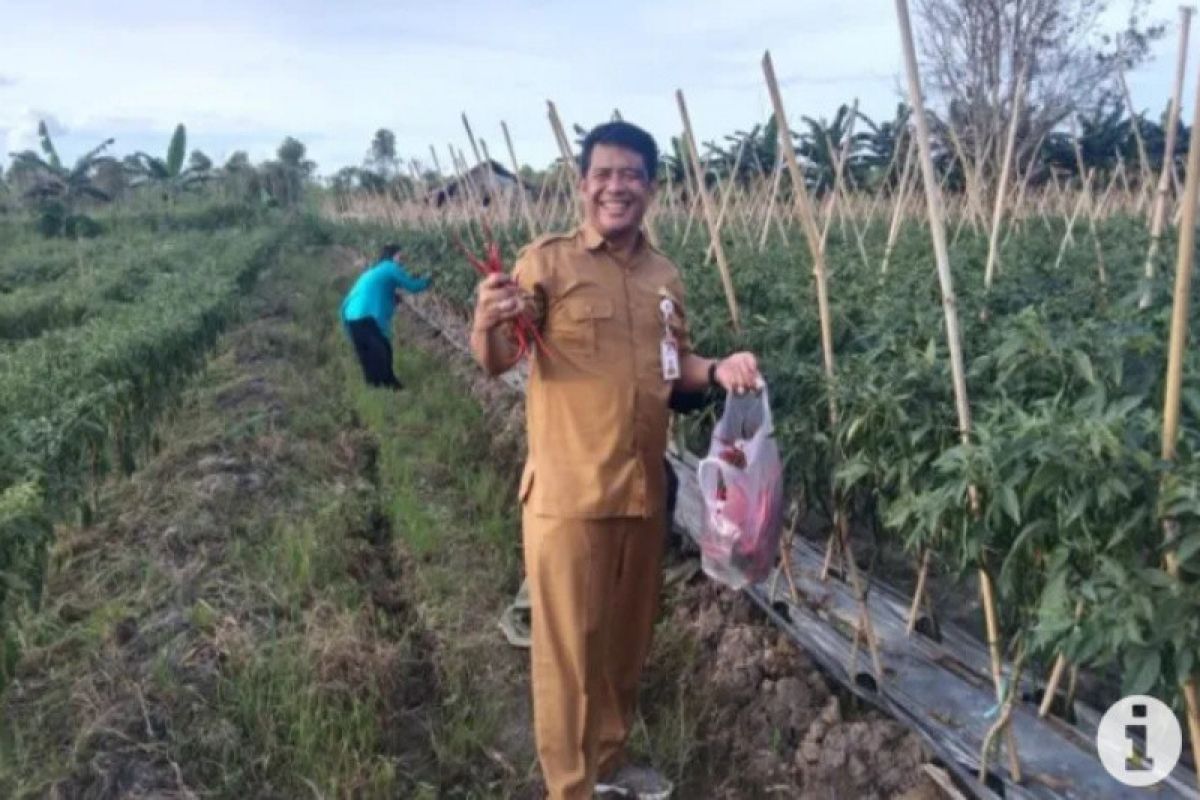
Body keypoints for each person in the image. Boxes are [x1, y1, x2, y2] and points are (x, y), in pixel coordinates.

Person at [470, 121, 761, 800]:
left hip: (642, 491)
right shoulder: (547, 262)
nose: (616, 186)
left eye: (631, 174)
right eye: (604, 173)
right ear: (583, 185)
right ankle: (568, 788)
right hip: (569, 494)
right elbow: (500, 360)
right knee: (568, 653)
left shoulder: (665, 276)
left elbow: (674, 366)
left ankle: (607, 763)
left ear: (651, 188)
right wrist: (485, 321)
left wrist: (720, 368)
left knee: (624, 648)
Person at [341, 244, 431, 389]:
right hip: (365, 315)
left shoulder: (375, 271)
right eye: (400, 257)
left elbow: (377, 291)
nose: (402, 261)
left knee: (367, 356)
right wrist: (430, 280)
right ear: (392, 256)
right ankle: (392, 387)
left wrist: (393, 297)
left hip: (351, 315)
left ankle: (375, 388)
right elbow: (412, 286)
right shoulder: (390, 267)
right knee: (383, 351)